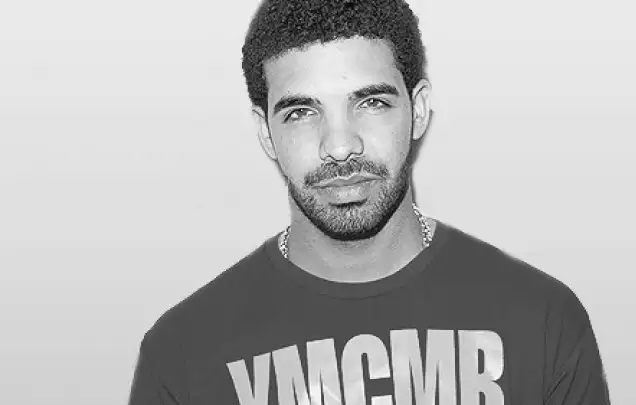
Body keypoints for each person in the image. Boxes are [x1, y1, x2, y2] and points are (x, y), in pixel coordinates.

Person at [128, 1, 611, 404]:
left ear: (418, 109)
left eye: (371, 103)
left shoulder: (541, 321)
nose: (340, 146)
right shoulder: (183, 354)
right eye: (301, 112)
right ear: (265, 133)